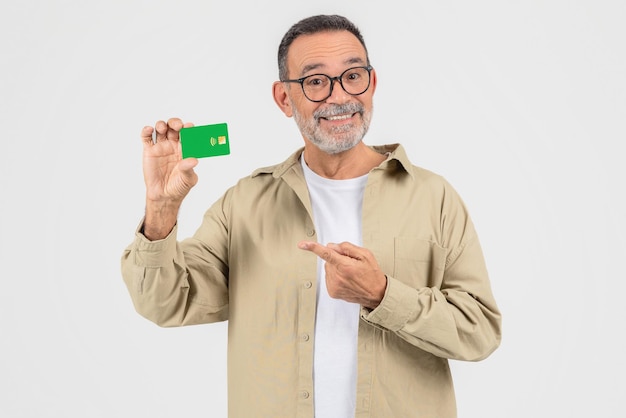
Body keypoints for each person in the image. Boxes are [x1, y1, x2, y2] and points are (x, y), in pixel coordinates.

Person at [121, 14, 502, 418]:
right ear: (284, 98)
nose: (340, 97)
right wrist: (161, 208)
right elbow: (164, 302)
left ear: (372, 83)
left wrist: (382, 294)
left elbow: (480, 333)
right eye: (316, 81)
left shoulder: (433, 198)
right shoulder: (245, 205)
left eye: (353, 76)